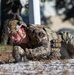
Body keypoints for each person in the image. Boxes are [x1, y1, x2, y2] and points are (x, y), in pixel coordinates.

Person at [7, 20, 74, 62]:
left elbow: (46, 49)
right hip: (59, 57)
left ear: (22, 30)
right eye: (10, 36)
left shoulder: (36, 32)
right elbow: (19, 62)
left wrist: (26, 52)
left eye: (14, 34)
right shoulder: (18, 44)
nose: (12, 38)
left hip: (64, 45)